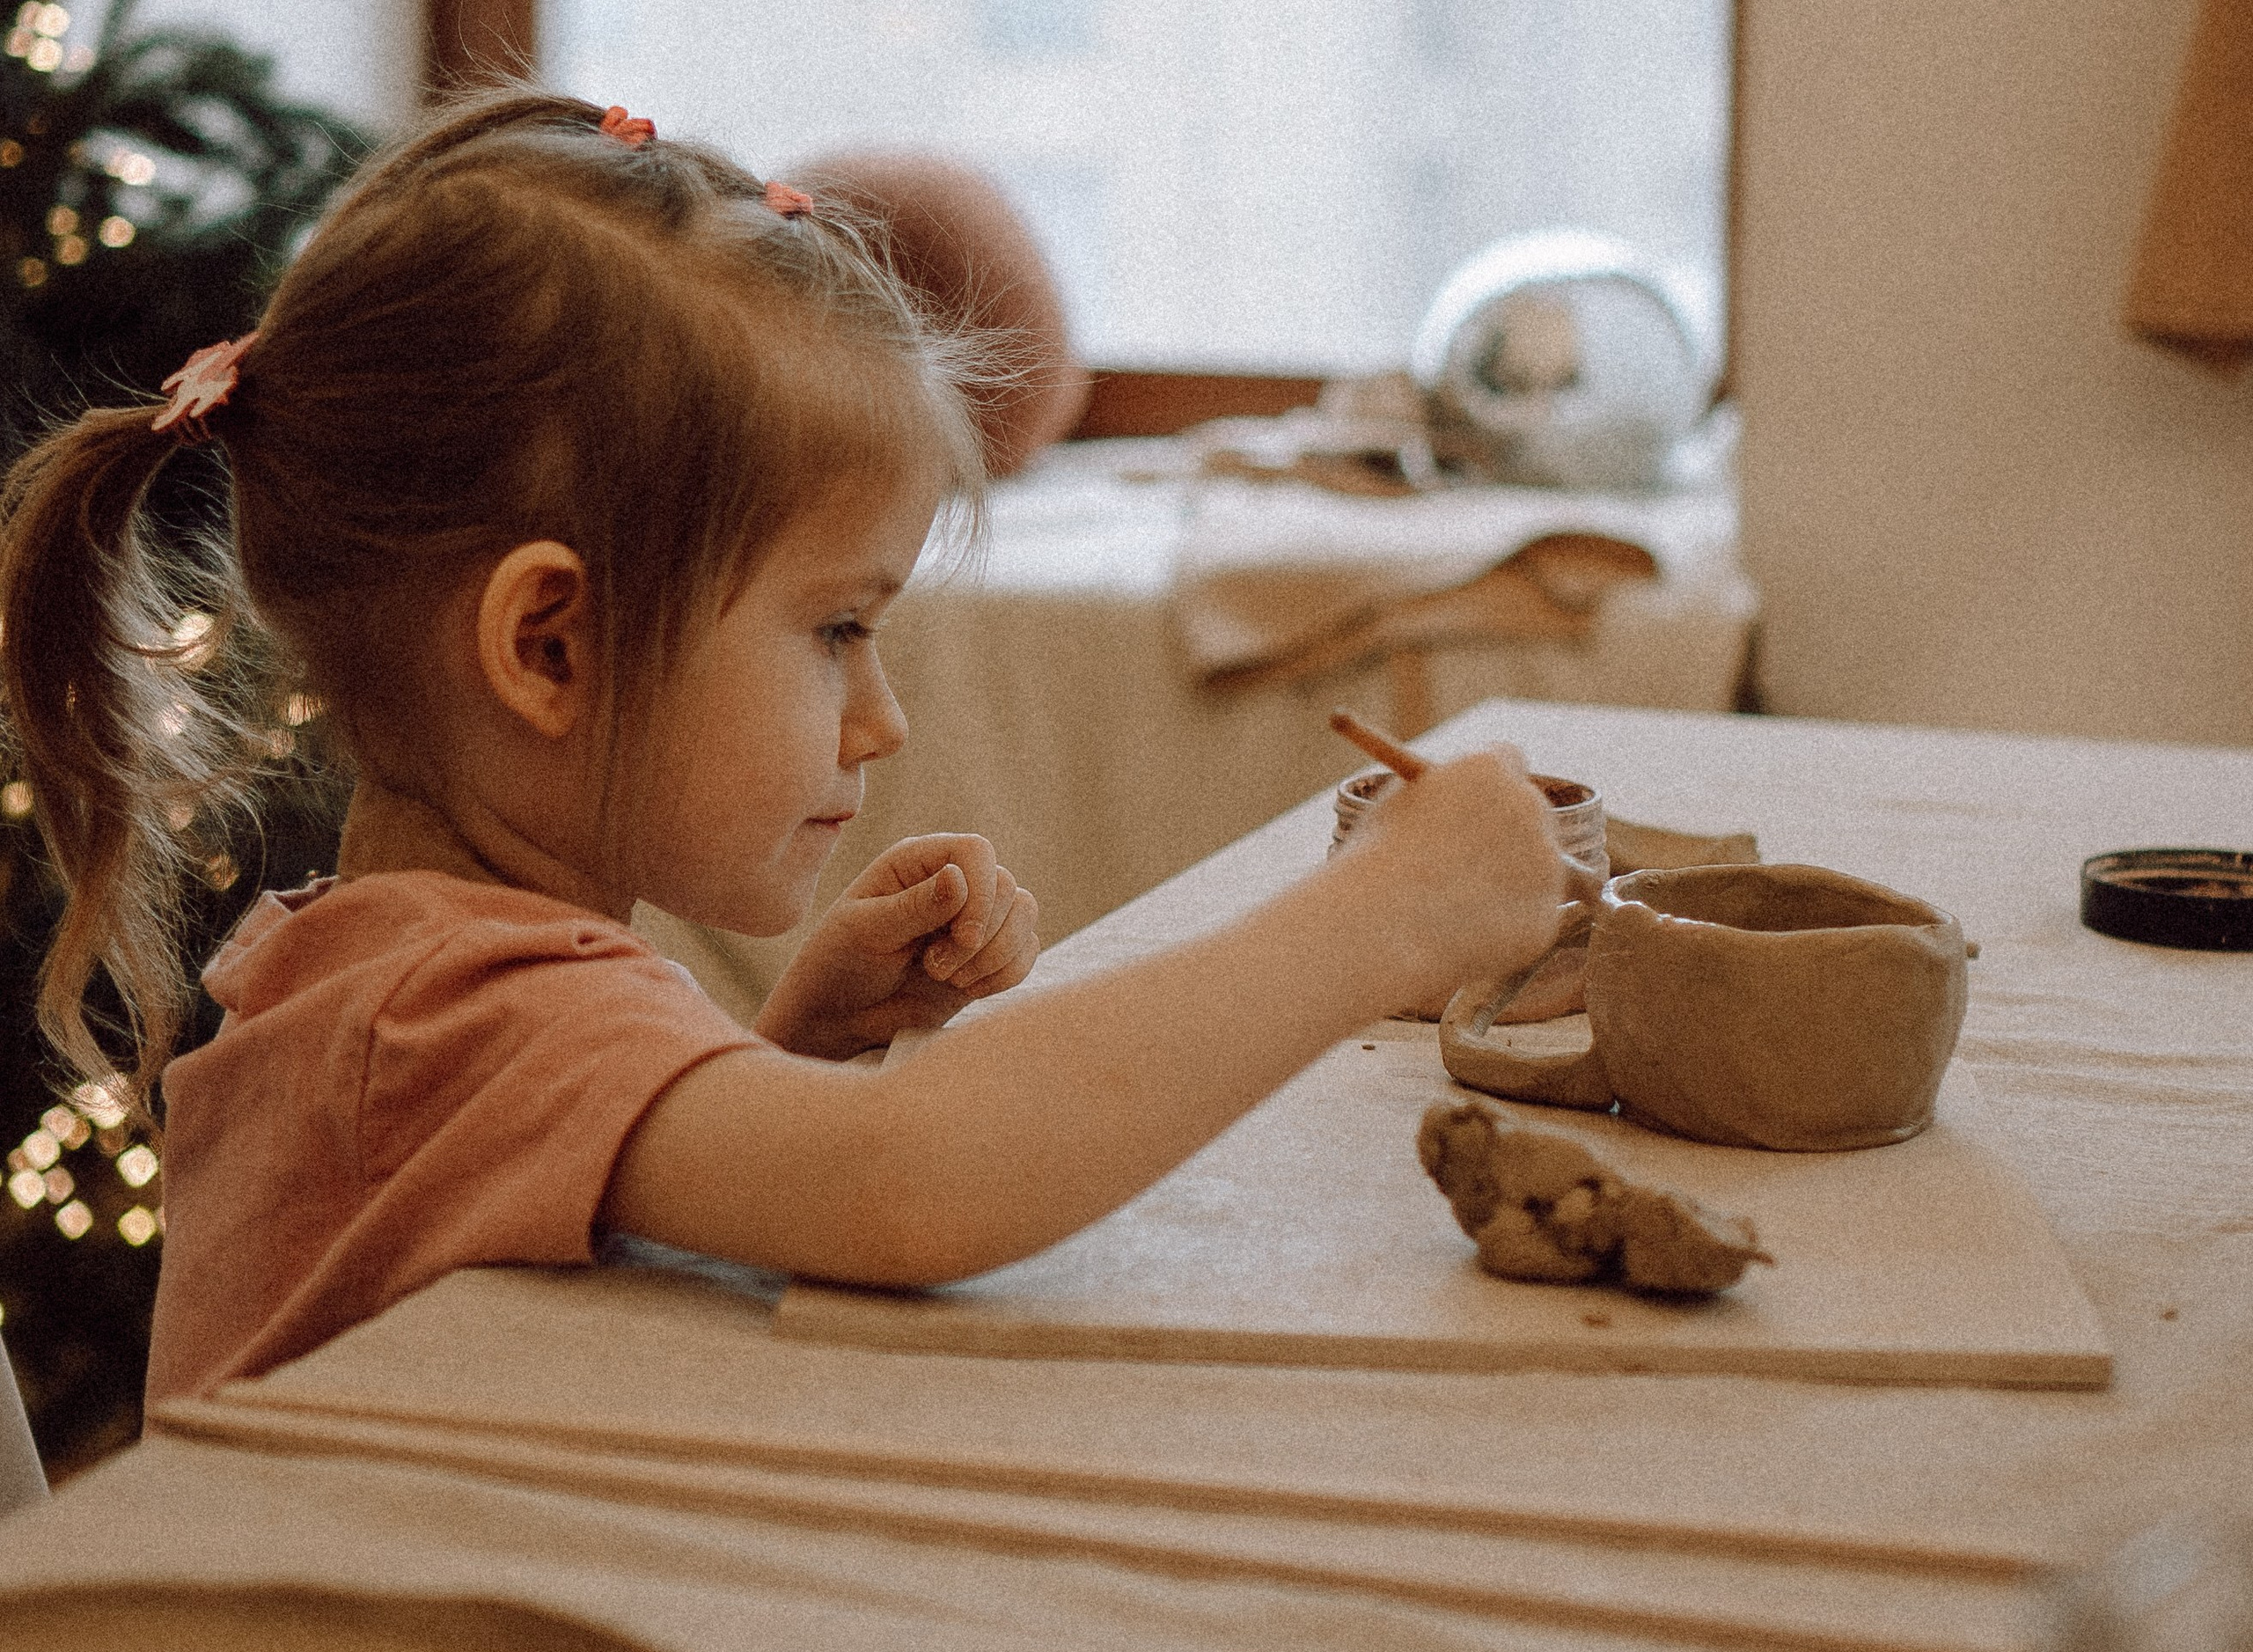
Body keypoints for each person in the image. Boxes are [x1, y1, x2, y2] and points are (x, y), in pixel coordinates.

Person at [0, 92, 1562, 1404]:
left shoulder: (410, 971)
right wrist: (1381, 920)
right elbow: (914, 1182)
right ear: (548, 646)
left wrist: (783, 1053)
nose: (880, 719)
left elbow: (574, 1245)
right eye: (835, 631)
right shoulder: (441, 1011)